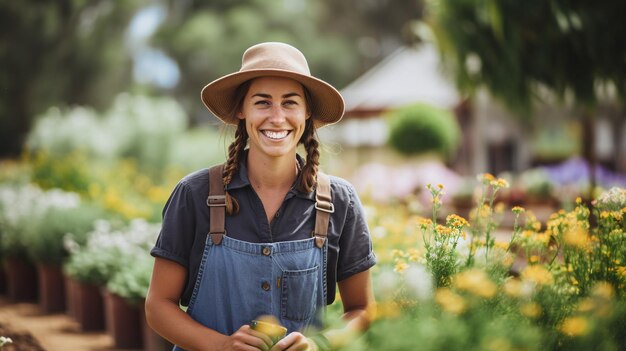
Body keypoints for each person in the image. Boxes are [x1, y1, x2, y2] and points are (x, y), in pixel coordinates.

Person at [145, 42, 376, 351]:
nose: (277, 117)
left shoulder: (339, 202)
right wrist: (222, 345)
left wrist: (321, 344)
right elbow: (158, 305)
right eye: (263, 102)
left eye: (290, 103)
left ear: (307, 112)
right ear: (242, 109)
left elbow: (362, 308)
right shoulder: (195, 194)